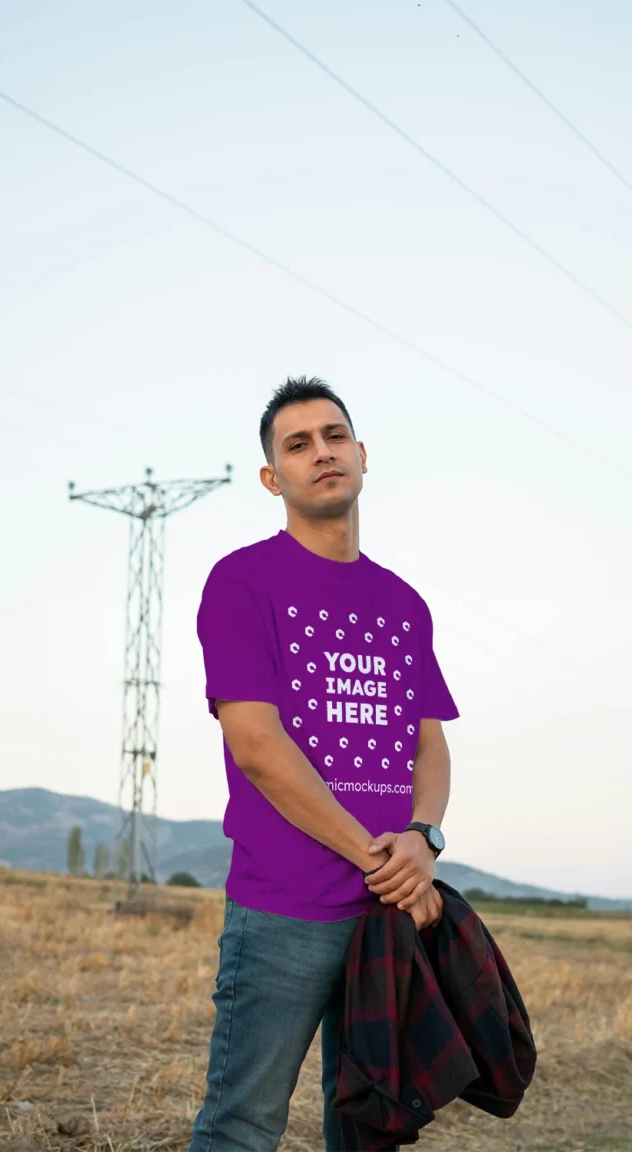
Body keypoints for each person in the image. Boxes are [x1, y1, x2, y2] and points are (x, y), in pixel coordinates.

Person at [188, 376, 460, 1152]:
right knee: (242, 1128)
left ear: (363, 455)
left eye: (334, 436)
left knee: (371, 1130)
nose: (322, 453)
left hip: (385, 919)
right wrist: (384, 860)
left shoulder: (403, 604)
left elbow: (428, 740)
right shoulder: (242, 581)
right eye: (298, 445)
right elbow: (258, 746)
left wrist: (424, 838)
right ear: (274, 478)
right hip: (284, 914)